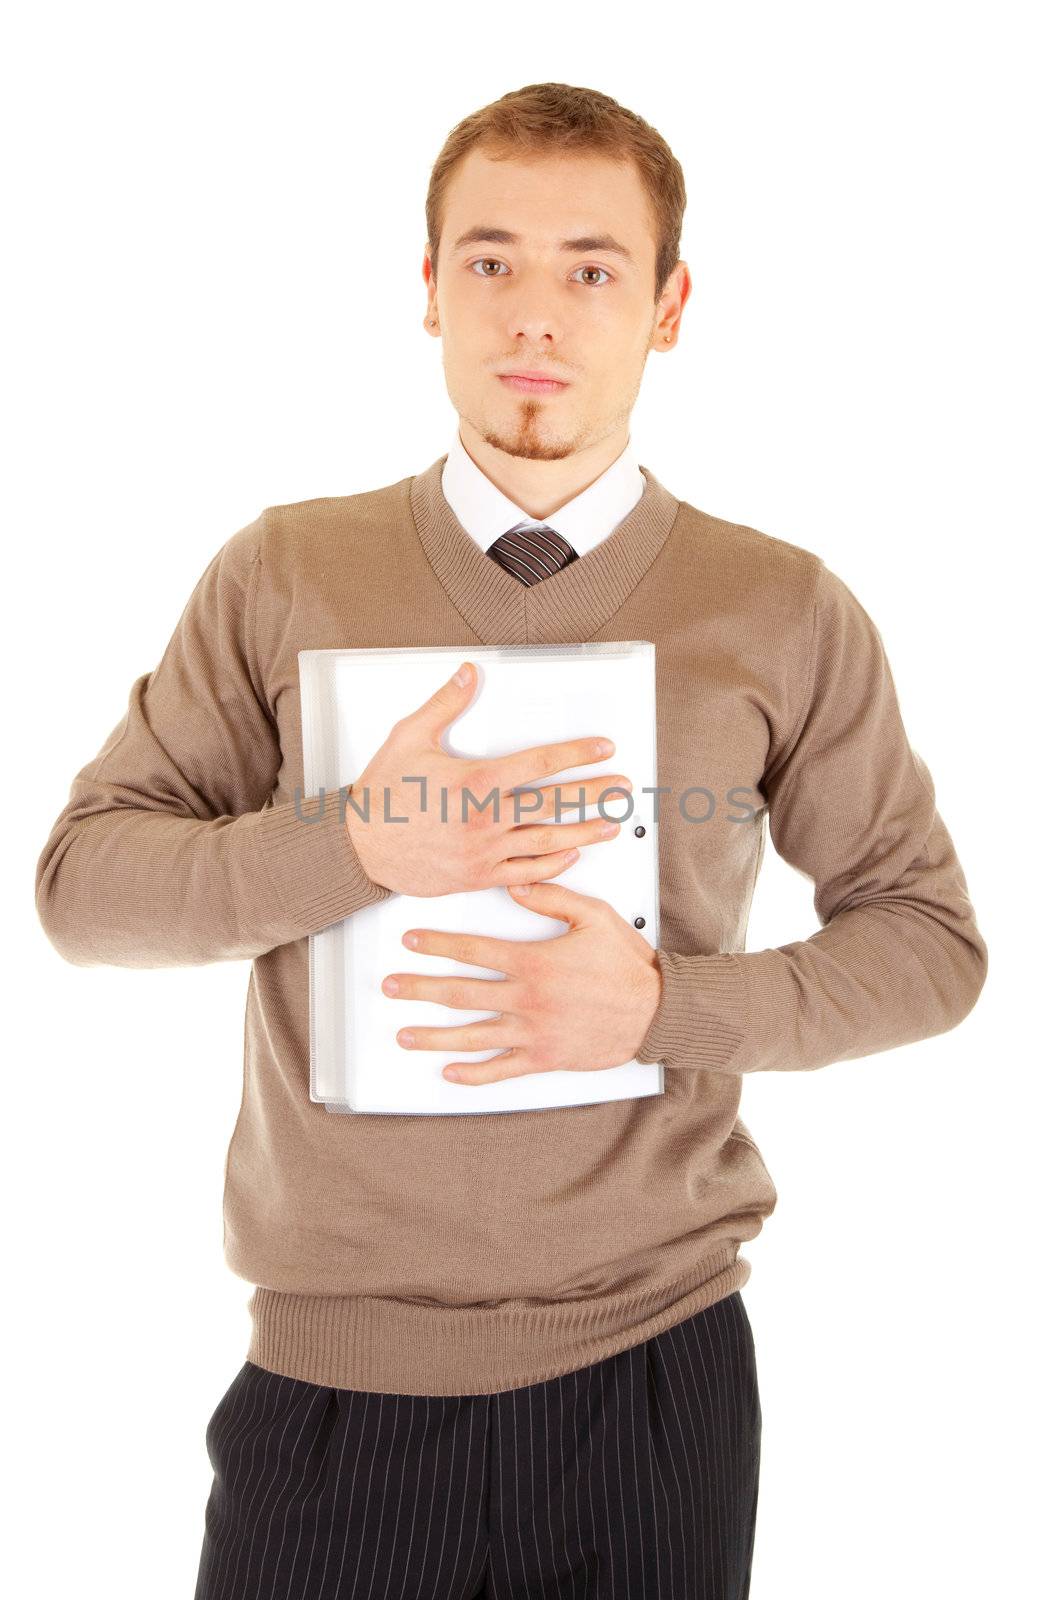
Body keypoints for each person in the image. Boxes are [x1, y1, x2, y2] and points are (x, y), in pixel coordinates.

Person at [35, 81, 987, 1600]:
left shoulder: (781, 607)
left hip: (651, 1367)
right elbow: (85, 894)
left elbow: (927, 948)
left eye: (590, 268)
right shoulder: (284, 569)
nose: (533, 312)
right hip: (333, 1383)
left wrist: (669, 1009)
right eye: (488, 261)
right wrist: (352, 844)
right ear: (426, 291)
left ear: (667, 308)